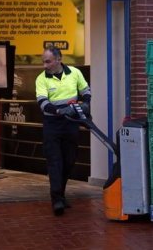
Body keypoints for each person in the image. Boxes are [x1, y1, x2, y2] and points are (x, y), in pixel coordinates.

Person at [35, 46, 91, 216]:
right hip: (53, 124)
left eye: (48, 61)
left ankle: (61, 194)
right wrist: (59, 111)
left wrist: (86, 104)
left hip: (71, 123)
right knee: (54, 161)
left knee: (69, 160)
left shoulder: (74, 73)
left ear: (59, 59)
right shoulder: (41, 79)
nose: (45, 65)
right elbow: (43, 103)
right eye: (44, 61)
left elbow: (86, 91)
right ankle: (57, 200)